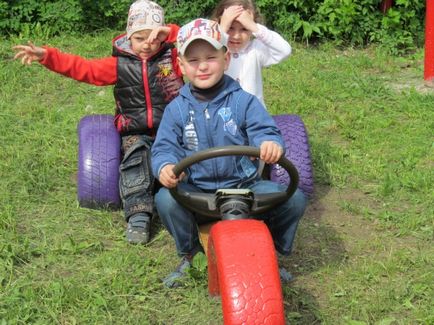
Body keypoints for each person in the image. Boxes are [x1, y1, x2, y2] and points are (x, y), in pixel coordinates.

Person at [151, 18, 307, 288]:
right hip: (198, 191)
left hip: (244, 187)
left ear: (226, 58)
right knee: (165, 199)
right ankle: (190, 255)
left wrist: (269, 143)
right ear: (181, 66)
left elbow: (265, 129)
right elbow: (164, 146)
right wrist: (165, 166)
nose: (202, 66)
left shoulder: (243, 100)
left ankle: (273, 254)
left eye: (211, 57)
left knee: (294, 199)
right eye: (194, 60)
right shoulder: (176, 109)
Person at [12, 0, 184, 245]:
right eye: (140, 38)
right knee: (137, 160)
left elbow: (193, 39)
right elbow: (83, 68)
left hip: (171, 129)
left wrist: (172, 32)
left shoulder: (174, 60)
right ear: (128, 36)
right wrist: (47, 56)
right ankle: (138, 214)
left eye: (155, 38)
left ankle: (186, 202)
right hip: (136, 131)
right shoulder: (118, 65)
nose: (148, 44)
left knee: (184, 159)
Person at [211, 0, 292, 108]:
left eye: (244, 29)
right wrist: (222, 28)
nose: (236, 36)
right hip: (223, 114)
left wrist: (254, 26)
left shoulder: (256, 49)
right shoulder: (217, 49)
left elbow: (284, 50)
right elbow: (206, 52)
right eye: (230, 27)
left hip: (254, 115)